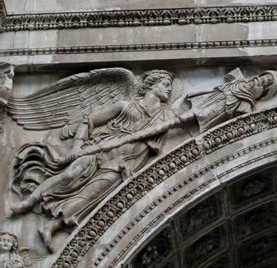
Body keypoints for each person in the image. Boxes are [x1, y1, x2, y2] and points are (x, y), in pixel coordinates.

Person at [10, 70, 178, 251]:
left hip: (123, 163)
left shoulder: (166, 117)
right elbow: (90, 120)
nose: (169, 90)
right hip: (101, 148)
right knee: (69, 174)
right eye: (165, 84)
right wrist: (77, 146)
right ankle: (30, 201)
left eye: (170, 86)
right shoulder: (125, 105)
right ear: (151, 84)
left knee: (90, 196)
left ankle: (51, 226)